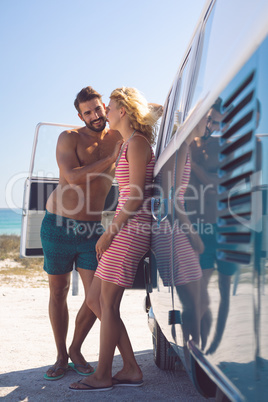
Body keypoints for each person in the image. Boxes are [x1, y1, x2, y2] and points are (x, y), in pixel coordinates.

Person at [69, 87, 158, 391]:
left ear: (123, 111)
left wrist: (110, 231)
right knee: (95, 299)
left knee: (106, 302)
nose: (105, 109)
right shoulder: (126, 144)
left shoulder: (138, 144)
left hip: (131, 229)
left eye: (111, 105)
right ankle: (131, 368)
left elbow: (134, 195)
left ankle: (103, 374)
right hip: (125, 226)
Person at [40, 86, 123, 380]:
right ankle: (62, 356)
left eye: (99, 109)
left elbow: (146, 109)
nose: (95, 115)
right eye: (88, 112)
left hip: (91, 230)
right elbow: (72, 176)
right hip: (57, 225)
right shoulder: (70, 138)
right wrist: (112, 156)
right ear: (80, 115)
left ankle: (76, 348)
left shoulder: (119, 136)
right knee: (58, 291)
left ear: (107, 108)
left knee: (95, 298)